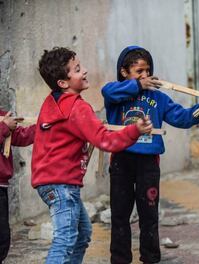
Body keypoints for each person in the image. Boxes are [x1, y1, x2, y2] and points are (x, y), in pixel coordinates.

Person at [32, 47, 153, 264]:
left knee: (82, 235)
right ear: (63, 83)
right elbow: (105, 141)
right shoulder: (78, 108)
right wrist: (135, 130)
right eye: (78, 69)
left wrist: (95, 126)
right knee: (65, 240)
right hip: (61, 185)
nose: (85, 71)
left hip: (51, 182)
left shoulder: (52, 102)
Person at [101, 45, 199, 264]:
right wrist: (136, 85)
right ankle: (120, 259)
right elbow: (107, 91)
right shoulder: (115, 95)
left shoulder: (159, 98)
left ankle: (151, 259)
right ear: (124, 73)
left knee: (149, 216)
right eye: (139, 71)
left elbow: (182, 117)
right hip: (121, 162)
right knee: (120, 215)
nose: (145, 76)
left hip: (148, 163)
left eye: (147, 71)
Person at [0, 111, 35, 263]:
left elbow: (21, 136)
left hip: (1, 186)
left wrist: (45, 125)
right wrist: (3, 127)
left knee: (2, 237)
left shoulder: (2, 116)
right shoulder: (3, 122)